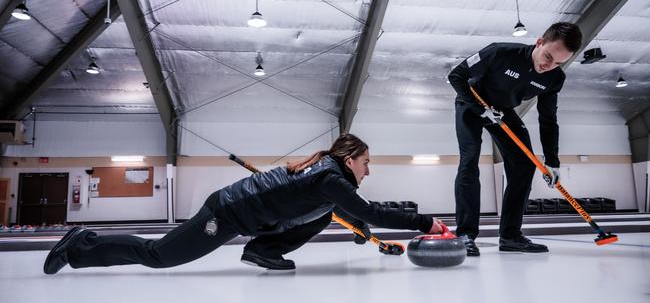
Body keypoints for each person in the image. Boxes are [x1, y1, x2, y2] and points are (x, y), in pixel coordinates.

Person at [43, 133, 443, 274]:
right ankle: (81, 246)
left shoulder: (327, 174)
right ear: (350, 158)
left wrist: (370, 222)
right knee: (159, 255)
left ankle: (263, 251)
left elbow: (355, 209)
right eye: (367, 163)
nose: (368, 171)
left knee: (326, 214)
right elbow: (366, 209)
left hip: (245, 216)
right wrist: (425, 223)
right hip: (226, 214)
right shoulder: (330, 177)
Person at [447, 22, 582, 256]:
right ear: (539, 42)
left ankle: (510, 236)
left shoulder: (554, 78)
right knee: (469, 160)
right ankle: (466, 235)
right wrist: (480, 109)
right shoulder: (500, 52)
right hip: (472, 103)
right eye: (548, 56)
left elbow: (548, 120)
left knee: (524, 165)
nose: (548, 66)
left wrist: (552, 161)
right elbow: (456, 76)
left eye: (558, 63)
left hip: (502, 111)